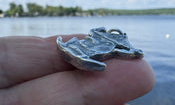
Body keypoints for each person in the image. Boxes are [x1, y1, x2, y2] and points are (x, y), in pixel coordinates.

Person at [0, 34, 155, 105]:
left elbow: (135, 53)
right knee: (87, 45)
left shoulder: (118, 46)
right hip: (82, 48)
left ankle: (78, 52)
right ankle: (73, 49)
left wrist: (134, 52)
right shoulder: (101, 35)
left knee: (95, 50)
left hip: (91, 53)